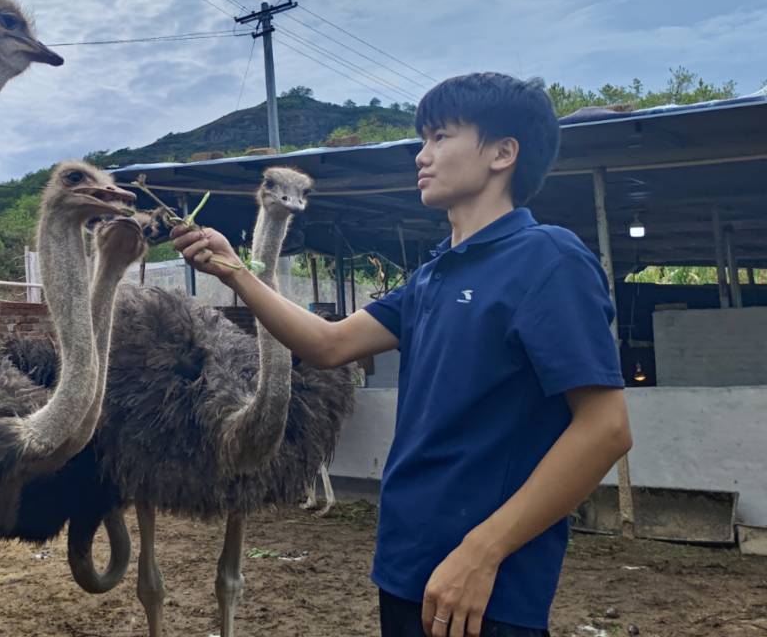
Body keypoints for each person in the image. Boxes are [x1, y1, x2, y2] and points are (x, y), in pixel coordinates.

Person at [172, 72, 632, 637]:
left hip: (486, 583)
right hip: (406, 564)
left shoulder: (547, 259)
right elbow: (329, 343)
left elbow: (605, 428)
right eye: (423, 139)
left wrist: (483, 552)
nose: (422, 155)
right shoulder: (433, 276)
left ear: (503, 153)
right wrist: (234, 271)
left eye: (440, 137)